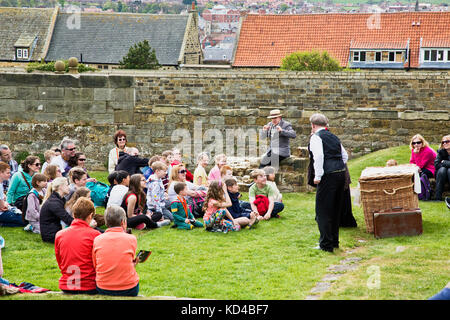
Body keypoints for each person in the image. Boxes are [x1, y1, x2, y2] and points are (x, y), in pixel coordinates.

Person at [309, 113, 348, 253]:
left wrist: (318, 175)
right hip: (340, 173)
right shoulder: (333, 136)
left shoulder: (316, 137)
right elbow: (345, 155)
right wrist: (338, 167)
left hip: (327, 176)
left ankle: (326, 244)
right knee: (335, 209)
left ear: (313, 125)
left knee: (323, 210)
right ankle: (334, 241)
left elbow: (318, 156)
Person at [54, 197, 101, 295]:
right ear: (90, 216)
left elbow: (60, 262)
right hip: (89, 286)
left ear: (73, 214)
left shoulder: (60, 235)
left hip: (67, 285)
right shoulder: (95, 235)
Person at [92, 205, 140, 297]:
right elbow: (129, 259)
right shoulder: (131, 239)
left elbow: (95, 265)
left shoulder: (97, 239)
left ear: (106, 223)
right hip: (129, 288)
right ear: (123, 222)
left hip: (103, 287)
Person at [39, 177, 74, 243]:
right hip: (51, 236)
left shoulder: (59, 199)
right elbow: (67, 219)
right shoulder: (54, 203)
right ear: (60, 187)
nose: (69, 187)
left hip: (55, 231)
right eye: (67, 185)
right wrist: (83, 225)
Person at [0, 162, 25, 227]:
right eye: (7, 173)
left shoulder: (1, 184)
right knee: (25, 221)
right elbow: (3, 207)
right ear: (0, 173)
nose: (10, 175)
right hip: (1, 213)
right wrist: (6, 204)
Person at [434, 135, 450, 201]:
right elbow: (436, 165)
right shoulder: (441, 152)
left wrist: (444, 162)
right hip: (441, 174)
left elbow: (441, 163)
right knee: (442, 170)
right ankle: (438, 197)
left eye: (447, 141)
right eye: (443, 142)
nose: (444, 143)